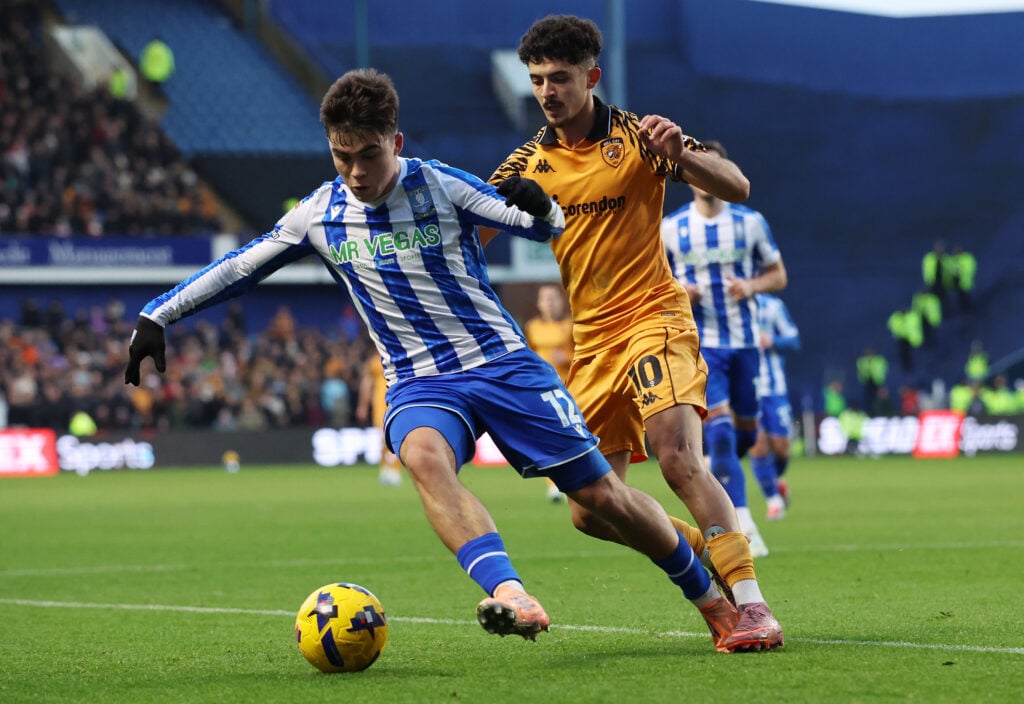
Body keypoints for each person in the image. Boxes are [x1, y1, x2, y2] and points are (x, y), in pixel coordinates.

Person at [124, 68, 742, 651]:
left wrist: (541, 206)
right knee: (422, 455)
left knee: (603, 499)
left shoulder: (441, 183)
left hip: (502, 364)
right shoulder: (320, 213)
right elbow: (240, 267)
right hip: (420, 381)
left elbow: (535, 224)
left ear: (395, 141)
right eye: (343, 157)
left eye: (369, 155)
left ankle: (711, 601)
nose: (357, 172)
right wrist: (159, 315)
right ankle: (512, 594)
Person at [486, 15, 783, 650]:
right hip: (592, 343)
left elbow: (739, 186)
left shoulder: (642, 136)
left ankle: (752, 607)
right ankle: (707, 547)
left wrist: (683, 156)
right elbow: (470, 235)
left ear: (591, 76)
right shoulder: (525, 164)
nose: (547, 91)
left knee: (677, 455)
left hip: (655, 317)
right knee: (589, 509)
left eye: (560, 78)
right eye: (537, 80)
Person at [662, 139, 788, 558]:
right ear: (689, 175)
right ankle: (743, 522)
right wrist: (681, 289)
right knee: (719, 431)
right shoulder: (671, 229)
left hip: (746, 343)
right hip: (700, 343)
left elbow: (778, 275)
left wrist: (751, 285)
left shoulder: (750, 223)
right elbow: (654, 283)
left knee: (746, 434)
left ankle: (724, 475)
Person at [747, 293, 800, 522]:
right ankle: (773, 501)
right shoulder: (726, 304)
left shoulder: (773, 306)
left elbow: (794, 339)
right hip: (747, 388)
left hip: (775, 389)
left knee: (781, 447)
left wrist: (773, 341)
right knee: (757, 444)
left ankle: (777, 479)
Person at [523, 283, 574, 502]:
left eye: (554, 298)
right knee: (548, 437)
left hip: (571, 387)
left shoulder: (572, 325)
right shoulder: (532, 327)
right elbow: (529, 354)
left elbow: (584, 353)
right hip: (542, 389)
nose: (550, 303)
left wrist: (569, 358)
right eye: (546, 299)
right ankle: (554, 485)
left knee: (573, 436)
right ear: (539, 304)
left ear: (561, 301)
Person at [356, 353, 403, 486]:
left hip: (396, 401)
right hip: (379, 404)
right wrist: (363, 405)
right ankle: (385, 469)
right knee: (382, 438)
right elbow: (367, 382)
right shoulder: (374, 361)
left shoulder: (398, 355)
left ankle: (395, 470)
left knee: (395, 437)